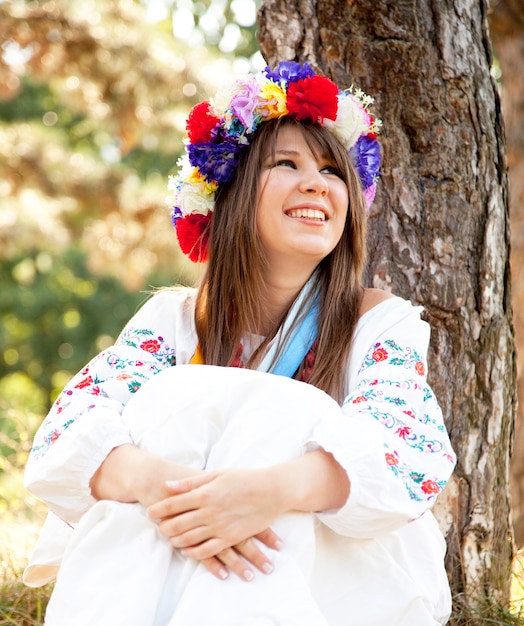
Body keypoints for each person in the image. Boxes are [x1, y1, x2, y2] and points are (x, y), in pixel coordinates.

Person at [24, 61, 456, 625]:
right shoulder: (175, 321)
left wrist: (263, 493)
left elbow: (404, 459)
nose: (316, 183)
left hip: (321, 572)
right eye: (287, 163)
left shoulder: (380, 323)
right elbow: (68, 434)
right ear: (229, 192)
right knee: (164, 413)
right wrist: (179, 497)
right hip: (173, 540)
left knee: (286, 416)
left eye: (331, 171)